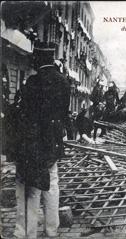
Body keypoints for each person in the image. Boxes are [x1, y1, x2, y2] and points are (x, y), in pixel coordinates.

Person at [12, 41, 70, 238]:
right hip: (53, 142)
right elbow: (63, 113)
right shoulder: (63, 82)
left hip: (34, 142)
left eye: (34, 57)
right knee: (52, 185)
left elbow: (25, 116)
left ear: (38, 58)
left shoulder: (33, 83)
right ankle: (51, 230)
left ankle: (28, 233)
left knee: (32, 187)